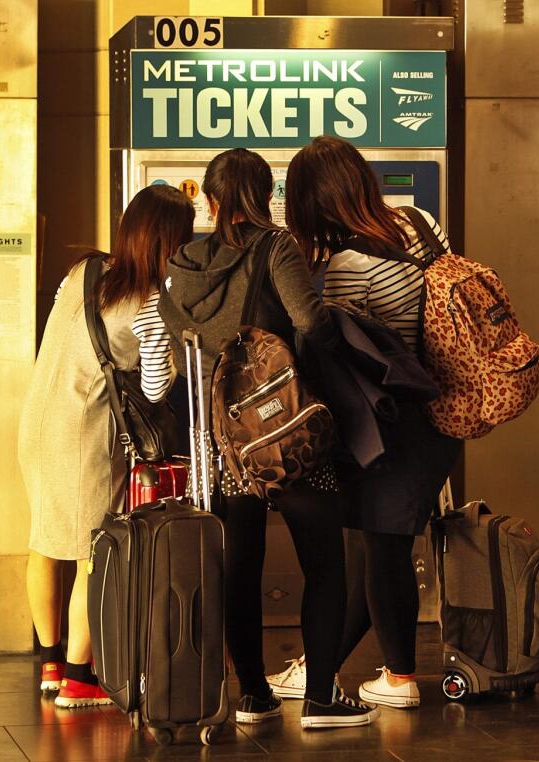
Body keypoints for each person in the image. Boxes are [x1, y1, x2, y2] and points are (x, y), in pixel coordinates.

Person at [157, 147, 379, 729]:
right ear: (266, 195)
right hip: (285, 431)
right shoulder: (276, 246)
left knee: (241, 563)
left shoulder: (180, 263)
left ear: (207, 200)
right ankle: (322, 696)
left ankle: (253, 693)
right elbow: (310, 321)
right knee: (324, 563)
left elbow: (182, 350)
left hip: (224, 442)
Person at [269, 135, 461, 708]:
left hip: (388, 421)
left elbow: (349, 350)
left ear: (312, 203)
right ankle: (319, 666)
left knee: (380, 550)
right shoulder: (420, 222)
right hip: (438, 406)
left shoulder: (350, 266)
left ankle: (400, 678)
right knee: (373, 546)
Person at [18, 185, 192, 707]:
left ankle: (50, 663)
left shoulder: (85, 272)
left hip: (37, 422)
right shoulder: (150, 302)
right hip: (83, 433)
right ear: (169, 239)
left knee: (46, 542)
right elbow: (157, 386)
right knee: (95, 551)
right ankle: (77, 677)